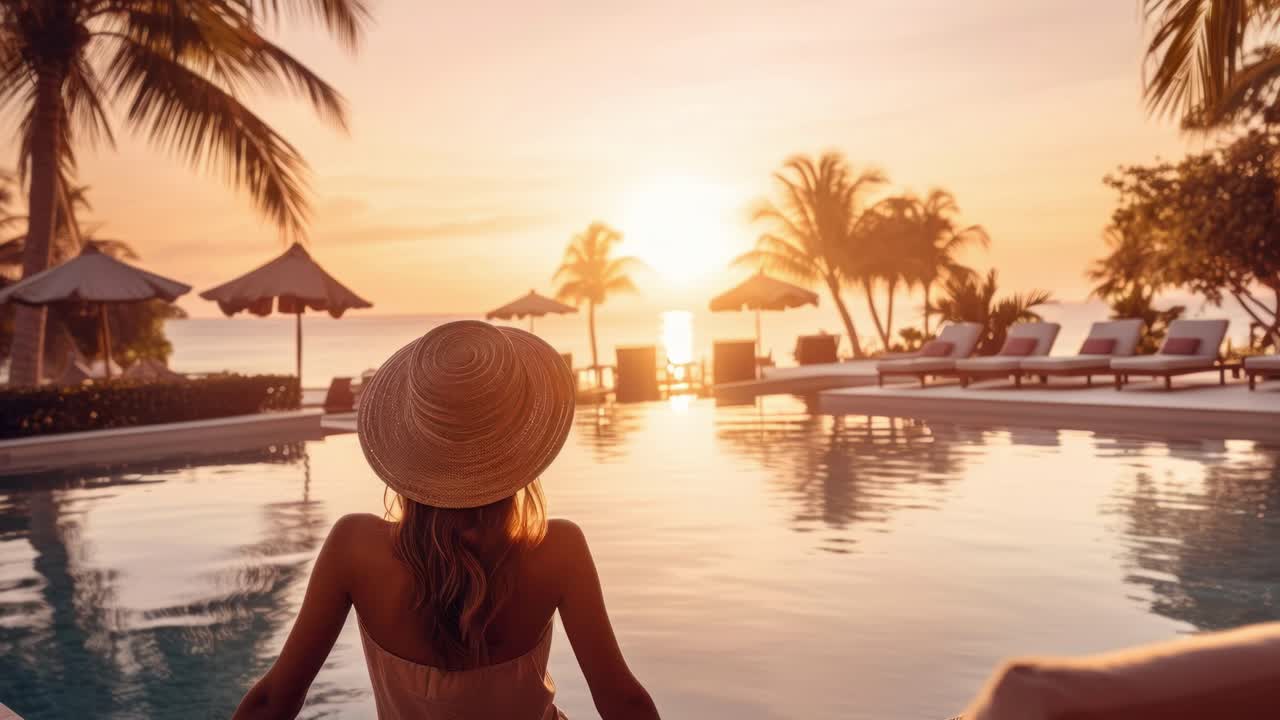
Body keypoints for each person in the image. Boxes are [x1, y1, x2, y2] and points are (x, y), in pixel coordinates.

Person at [233, 320, 660, 719]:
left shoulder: (354, 548)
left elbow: (275, 700)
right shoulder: (558, 550)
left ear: (412, 443)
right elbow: (622, 700)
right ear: (519, 449)